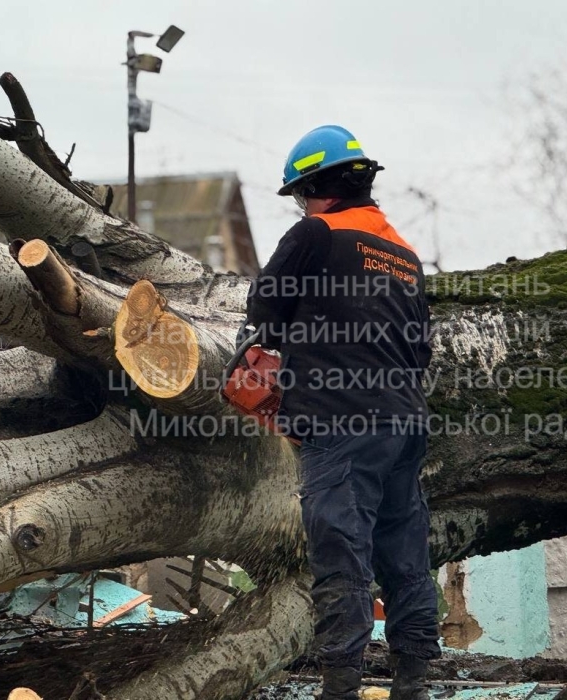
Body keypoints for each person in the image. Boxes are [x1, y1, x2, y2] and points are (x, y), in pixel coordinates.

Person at [245, 125, 440, 700]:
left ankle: (340, 685)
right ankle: (414, 681)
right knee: (405, 554)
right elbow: (421, 351)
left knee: (340, 551)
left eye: (301, 195)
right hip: (405, 423)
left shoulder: (316, 232)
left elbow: (265, 308)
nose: (302, 206)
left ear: (316, 189)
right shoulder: (404, 254)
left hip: (342, 421)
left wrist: (275, 346)